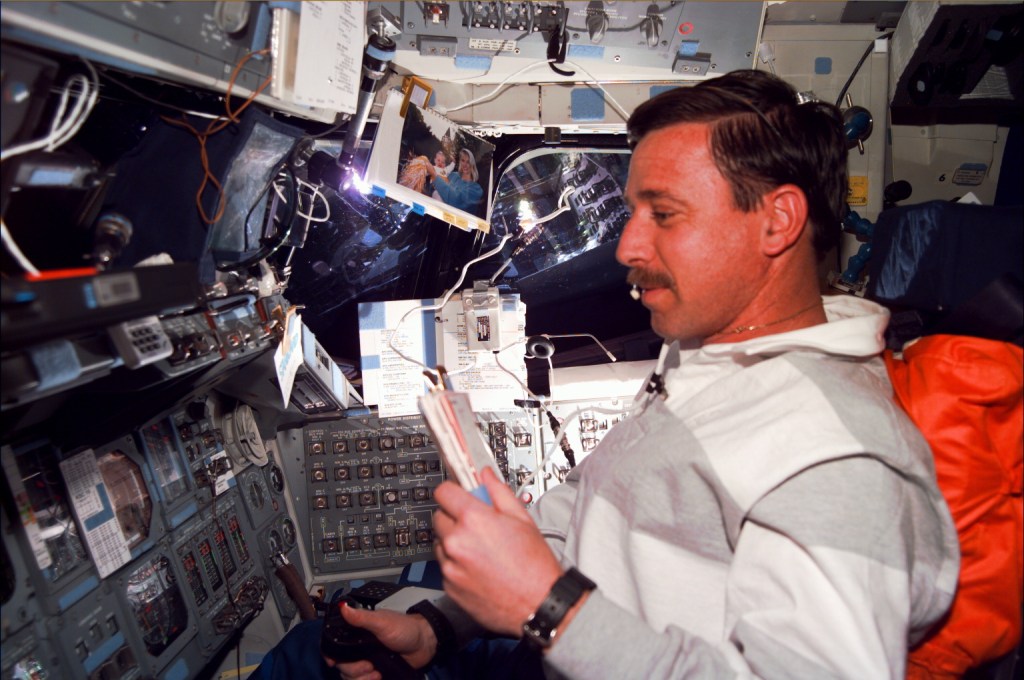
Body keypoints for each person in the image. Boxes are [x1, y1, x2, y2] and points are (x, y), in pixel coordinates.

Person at [330, 69, 960, 679]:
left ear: (778, 221)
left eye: (664, 213)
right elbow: (584, 514)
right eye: (633, 211)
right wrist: (440, 628)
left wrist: (547, 608)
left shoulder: (839, 458)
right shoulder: (708, 351)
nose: (627, 247)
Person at [427, 147, 484, 215]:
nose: (465, 164)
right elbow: (433, 187)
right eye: (463, 160)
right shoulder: (453, 175)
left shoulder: (476, 189)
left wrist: (434, 175)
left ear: (472, 164)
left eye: (468, 162)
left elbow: (455, 201)